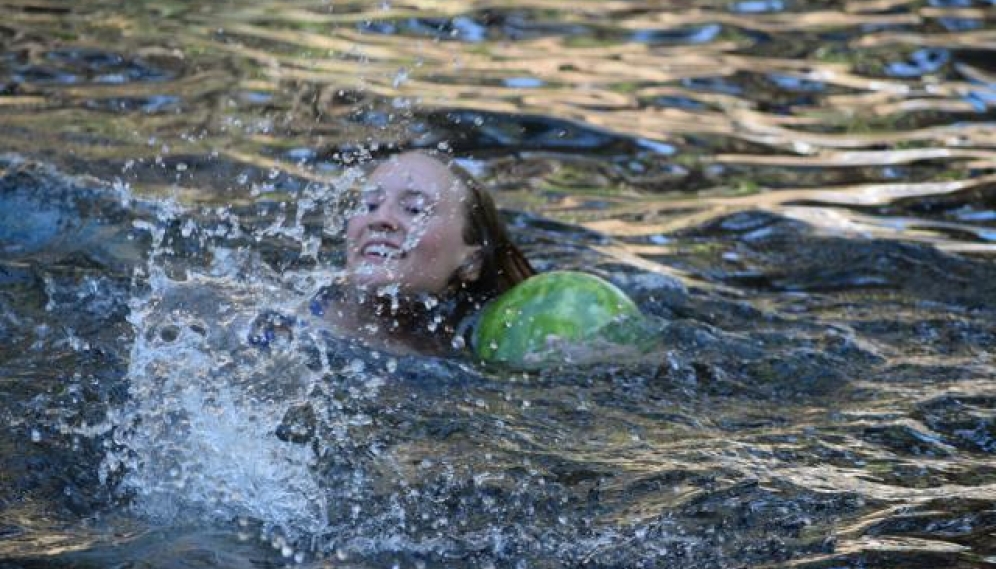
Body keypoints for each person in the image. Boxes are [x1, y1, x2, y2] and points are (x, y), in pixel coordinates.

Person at [307, 150, 535, 356]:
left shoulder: (487, 356)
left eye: (414, 209)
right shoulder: (290, 325)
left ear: (471, 263)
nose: (380, 219)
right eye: (370, 205)